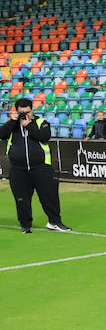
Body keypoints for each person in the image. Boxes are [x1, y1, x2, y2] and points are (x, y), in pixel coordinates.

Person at [0, 98, 69, 233]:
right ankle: (25, 225)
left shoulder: (40, 122)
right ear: (16, 111)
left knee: (49, 195)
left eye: (27, 112)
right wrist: (12, 121)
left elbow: (44, 137)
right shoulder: (12, 126)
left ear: (32, 110)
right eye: (21, 112)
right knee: (21, 198)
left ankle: (54, 222)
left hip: (41, 167)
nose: (24, 114)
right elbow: (2, 135)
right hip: (18, 169)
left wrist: (28, 124)